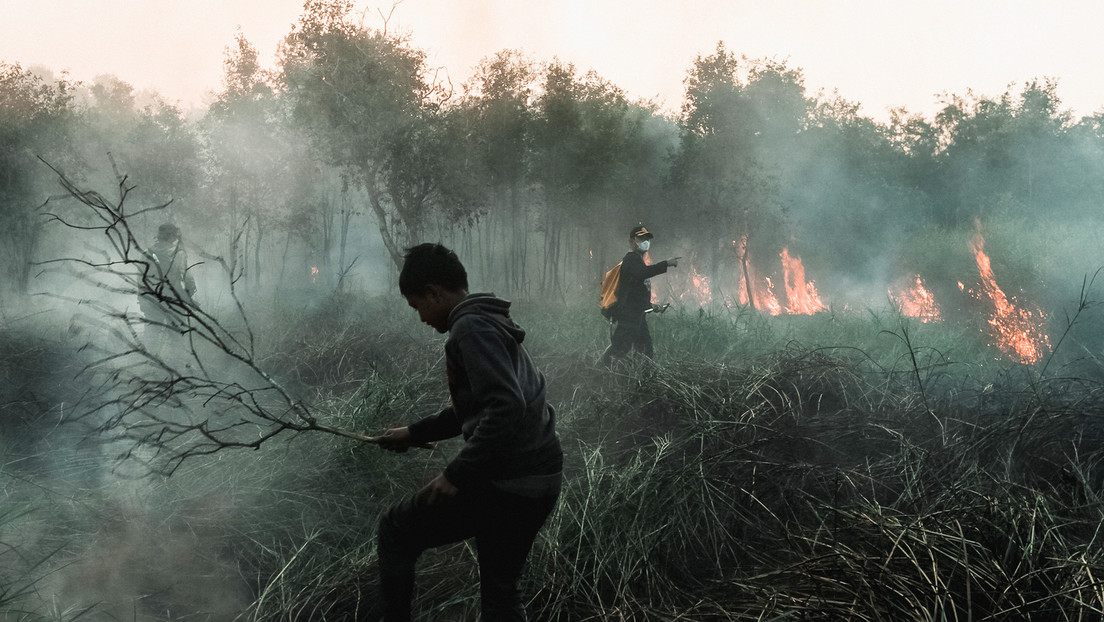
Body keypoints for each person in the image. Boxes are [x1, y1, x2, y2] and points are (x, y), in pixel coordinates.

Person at [375, 243, 563, 621]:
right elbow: (482, 406)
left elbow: (506, 406)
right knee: (501, 593)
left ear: (434, 293)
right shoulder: (487, 319)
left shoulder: (470, 327)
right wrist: (413, 432)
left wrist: (456, 474)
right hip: (539, 476)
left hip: (510, 484)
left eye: (418, 306)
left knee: (396, 529)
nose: (421, 318)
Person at [600, 224, 680, 363]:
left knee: (645, 351)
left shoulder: (638, 260)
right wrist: (666, 263)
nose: (645, 242)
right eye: (641, 239)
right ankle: (597, 374)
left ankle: (641, 379)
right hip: (628, 316)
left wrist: (651, 306)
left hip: (637, 316)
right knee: (619, 350)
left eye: (647, 239)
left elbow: (635, 291)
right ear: (632, 242)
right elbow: (642, 274)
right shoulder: (631, 259)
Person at [137, 223, 197, 354]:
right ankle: (177, 367)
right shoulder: (179, 254)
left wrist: (142, 299)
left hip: (152, 299)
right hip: (173, 301)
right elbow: (189, 279)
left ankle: (148, 367)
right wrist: (188, 296)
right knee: (177, 340)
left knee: (151, 337)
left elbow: (140, 278)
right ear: (172, 236)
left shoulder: (147, 253)